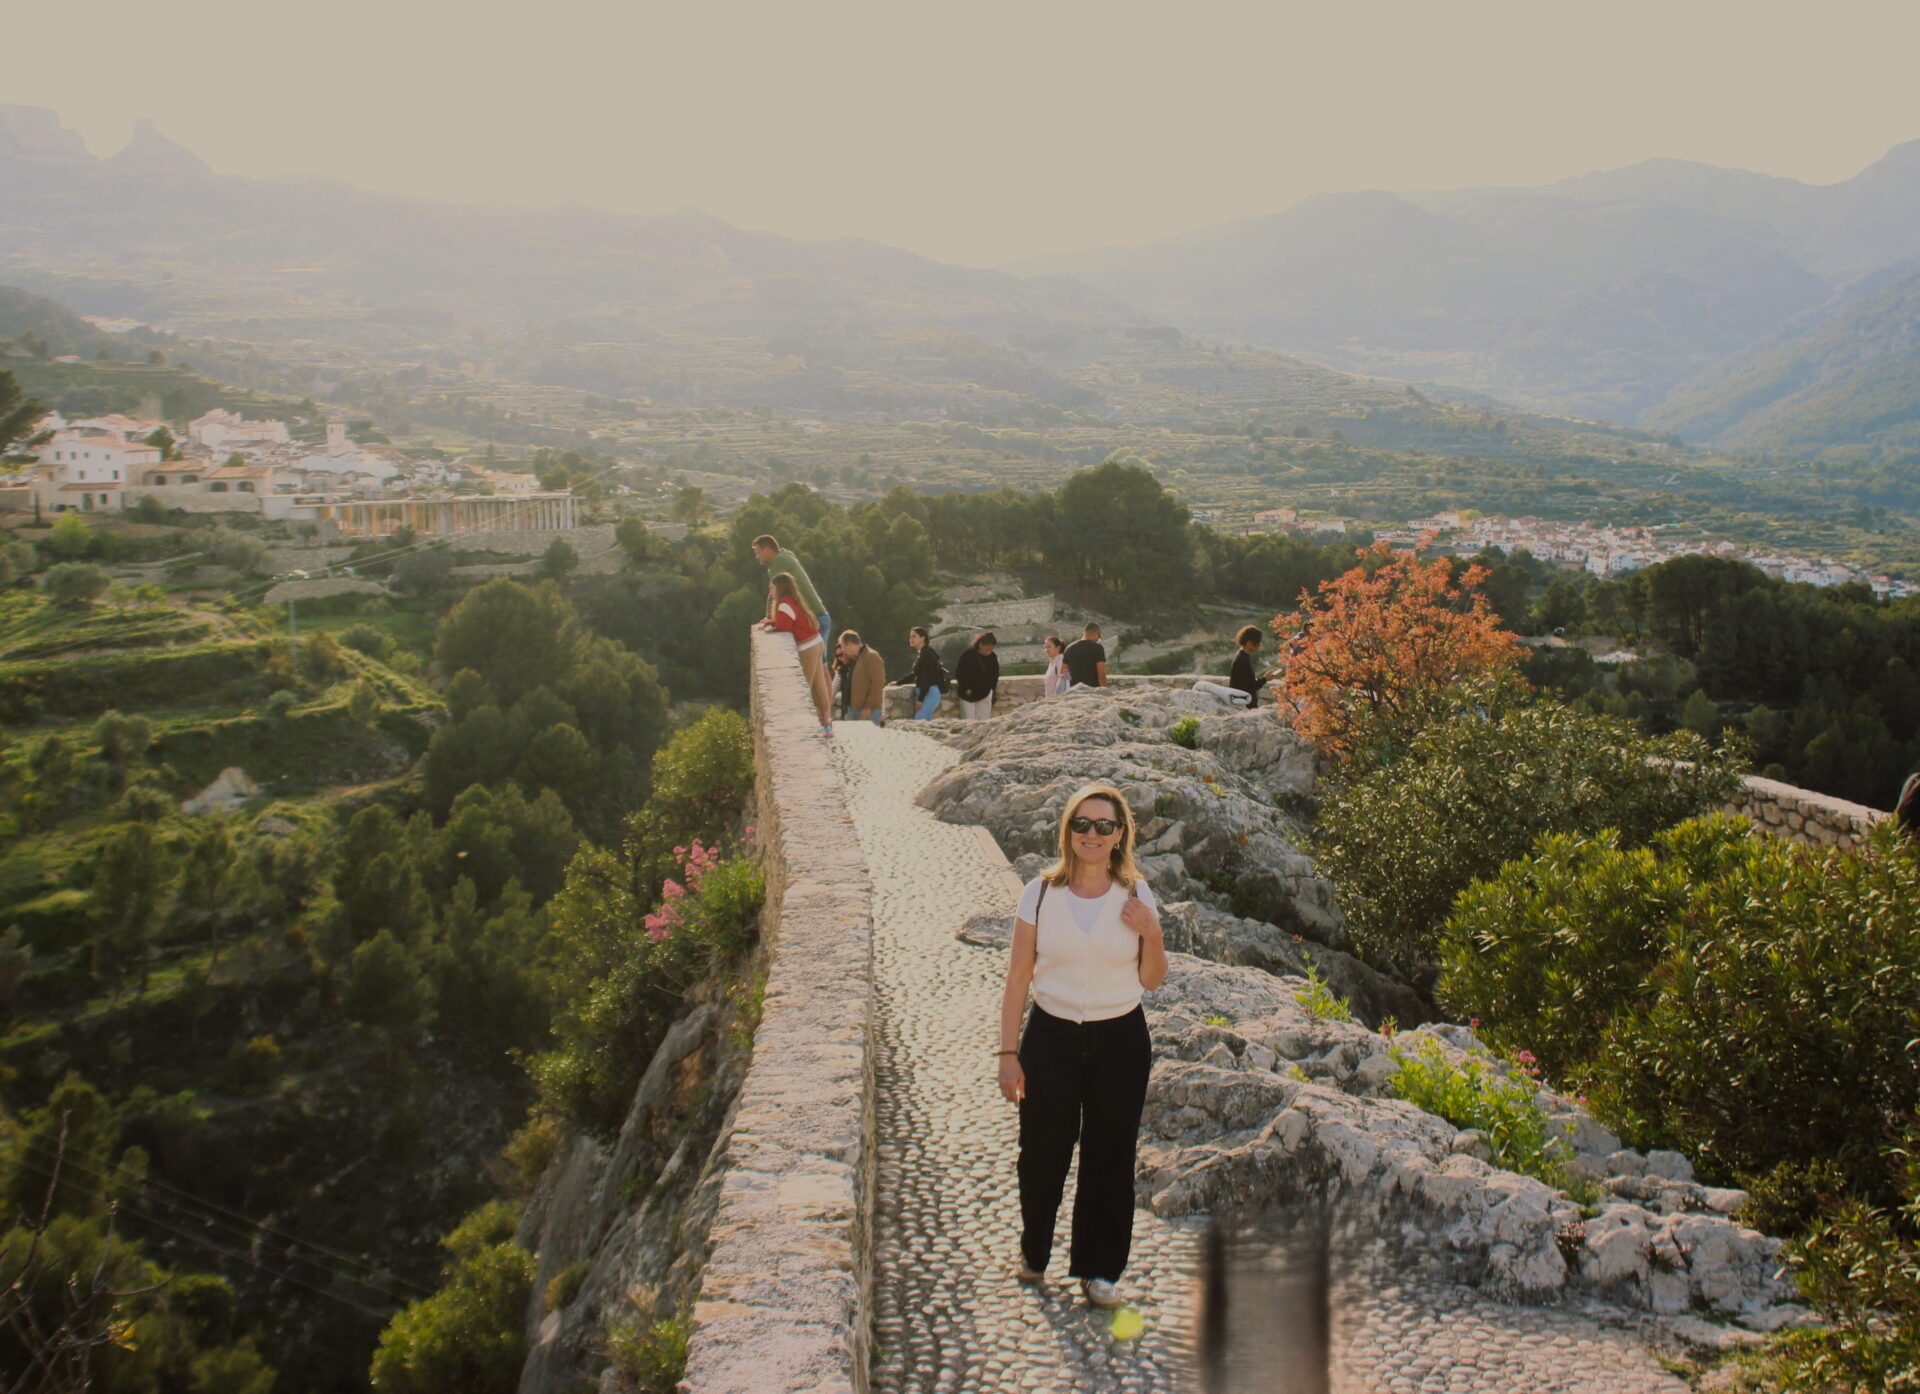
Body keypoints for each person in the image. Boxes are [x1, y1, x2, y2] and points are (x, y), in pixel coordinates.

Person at [997, 782, 1166, 1309]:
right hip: (1051, 1034)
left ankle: (1100, 1270)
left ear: (1120, 836)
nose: (1091, 835)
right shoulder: (1040, 892)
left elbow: (1153, 980)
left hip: (1121, 1037)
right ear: (1067, 830)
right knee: (1041, 1152)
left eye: (1104, 826)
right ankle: (1035, 1250)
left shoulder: (1137, 894)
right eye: (1082, 824)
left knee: (1110, 1156)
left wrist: (1153, 933)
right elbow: (1018, 977)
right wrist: (1007, 1054)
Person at [760, 572, 833, 736]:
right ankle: (827, 725)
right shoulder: (794, 600)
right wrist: (771, 621)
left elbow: (784, 627)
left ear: (780, 588)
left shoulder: (784, 604)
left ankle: (802, 725)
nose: (771, 591)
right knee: (818, 686)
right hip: (816, 642)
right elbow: (787, 621)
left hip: (807, 648)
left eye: (773, 587)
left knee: (804, 686)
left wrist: (771, 624)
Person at [752, 534, 829, 646]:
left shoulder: (779, 561)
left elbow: (774, 593)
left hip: (814, 618)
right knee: (820, 662)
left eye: (758, 552)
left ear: (767, 550)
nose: (757, 557)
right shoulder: (785, 554)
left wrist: (769, 618)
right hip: (819, 616)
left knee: (814, 662)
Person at [895, 625, 948, 720]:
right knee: (925, 722)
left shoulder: (928, 654)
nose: (911, 639)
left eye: (914, 636)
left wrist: (920, 700)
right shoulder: (922, 653)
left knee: (920, 720)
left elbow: (927, 678)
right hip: (926, 692)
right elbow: (915, 674)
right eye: (910, 636)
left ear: (922, 638)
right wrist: (898, 682)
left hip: (930, 692)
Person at [837, 629, 888, 725]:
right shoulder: (857, 658)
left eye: (844, 648)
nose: (844, 651)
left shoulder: (871, 656)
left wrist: (868, 707)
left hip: (867, 711)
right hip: (855, 709)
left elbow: (878, 683)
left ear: (850, 645)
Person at [954, 630, 1000, 721]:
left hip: (985, 692)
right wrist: (966, 687)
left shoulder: (992, 657)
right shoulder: (968, 655)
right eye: (987, 649)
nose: (989, 652)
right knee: (969, 721)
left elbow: (995, 674)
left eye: (991, 649)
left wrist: (992, 689)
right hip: (968, 693)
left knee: (984, 720)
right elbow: (959, 673)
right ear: (980, 645)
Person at [1062, 622, 1107, 689]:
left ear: (1084, 633)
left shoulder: (1069, 648)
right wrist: (1105, 692)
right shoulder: (1097, 648)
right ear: (1096, 633)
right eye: (1099, 637)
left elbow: (1064, 674)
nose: (1098, 640)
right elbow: (1101, 675)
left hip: (1073, 693)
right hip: (1092, 693)